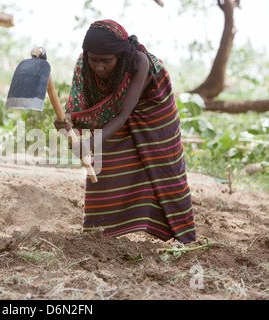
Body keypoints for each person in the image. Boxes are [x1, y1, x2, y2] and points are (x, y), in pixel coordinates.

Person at [54, 20, 196, 243]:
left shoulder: (139, 61)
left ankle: (180, 233)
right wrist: (67, 121)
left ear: (120, 56)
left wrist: (91, 143)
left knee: (160, 163)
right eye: (93, 60)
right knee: (108, 160)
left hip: (154, 105)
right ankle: (99, 235)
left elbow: (123, 114)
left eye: (106, 61)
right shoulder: (84, 64)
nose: (98, 67)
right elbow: (78, 107)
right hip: (117, 109)